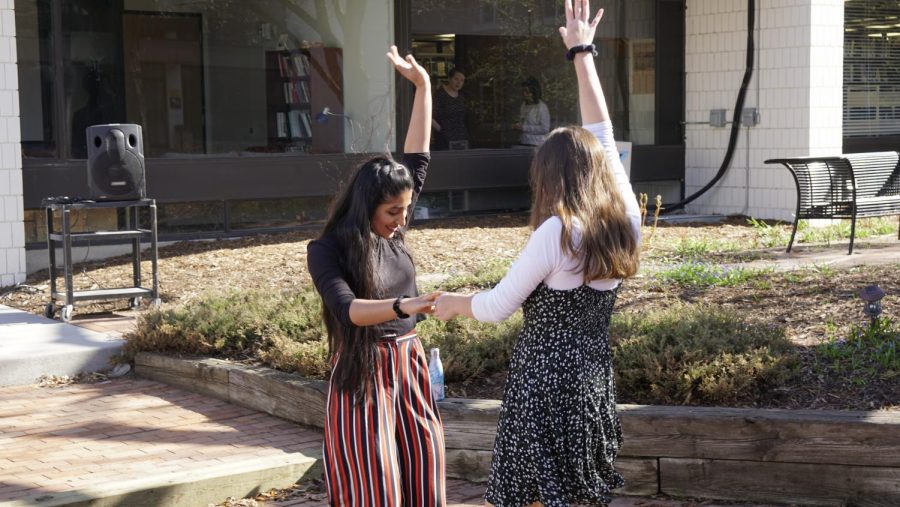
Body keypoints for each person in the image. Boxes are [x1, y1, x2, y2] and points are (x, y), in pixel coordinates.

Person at [432, 2, 641, 506]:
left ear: (548, 176)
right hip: (591, 376)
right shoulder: (626, 222)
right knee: (578, 492)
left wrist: (450, 301)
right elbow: (605, 135)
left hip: (543, 384)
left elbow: (497, 306)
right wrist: (581, 53)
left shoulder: (557, 232)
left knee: (533, 494)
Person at [306, 45, 446, 507]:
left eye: (406, 210)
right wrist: (405, 306)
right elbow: (347, 310)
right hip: (363, 375)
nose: (401, 220)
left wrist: (423, 87)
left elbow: (418, 157)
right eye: (392, 212)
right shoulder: (326, 250)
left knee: (423, 471)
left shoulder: (395, 222)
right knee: (376, 483)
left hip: (409, 366)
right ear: (368, 204)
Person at [432, 68, 469, 150]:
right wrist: (442, 130)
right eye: (456, 79)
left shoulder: (461, 96)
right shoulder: (440, 94)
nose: (459, 83)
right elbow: (429, 116)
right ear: (449, 78)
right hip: (444, 140)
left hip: (461, 140)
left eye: (462, 80)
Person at [512, 77, 551, 147]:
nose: (524, 94)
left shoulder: (542, 107)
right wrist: (517, 126)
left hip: (536, 145)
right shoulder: (523, 105)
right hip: (523, 142)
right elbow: (524, 122)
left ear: (533, 92)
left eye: (527, 91)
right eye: (523, 91)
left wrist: (524, 128)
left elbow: (545, 129)